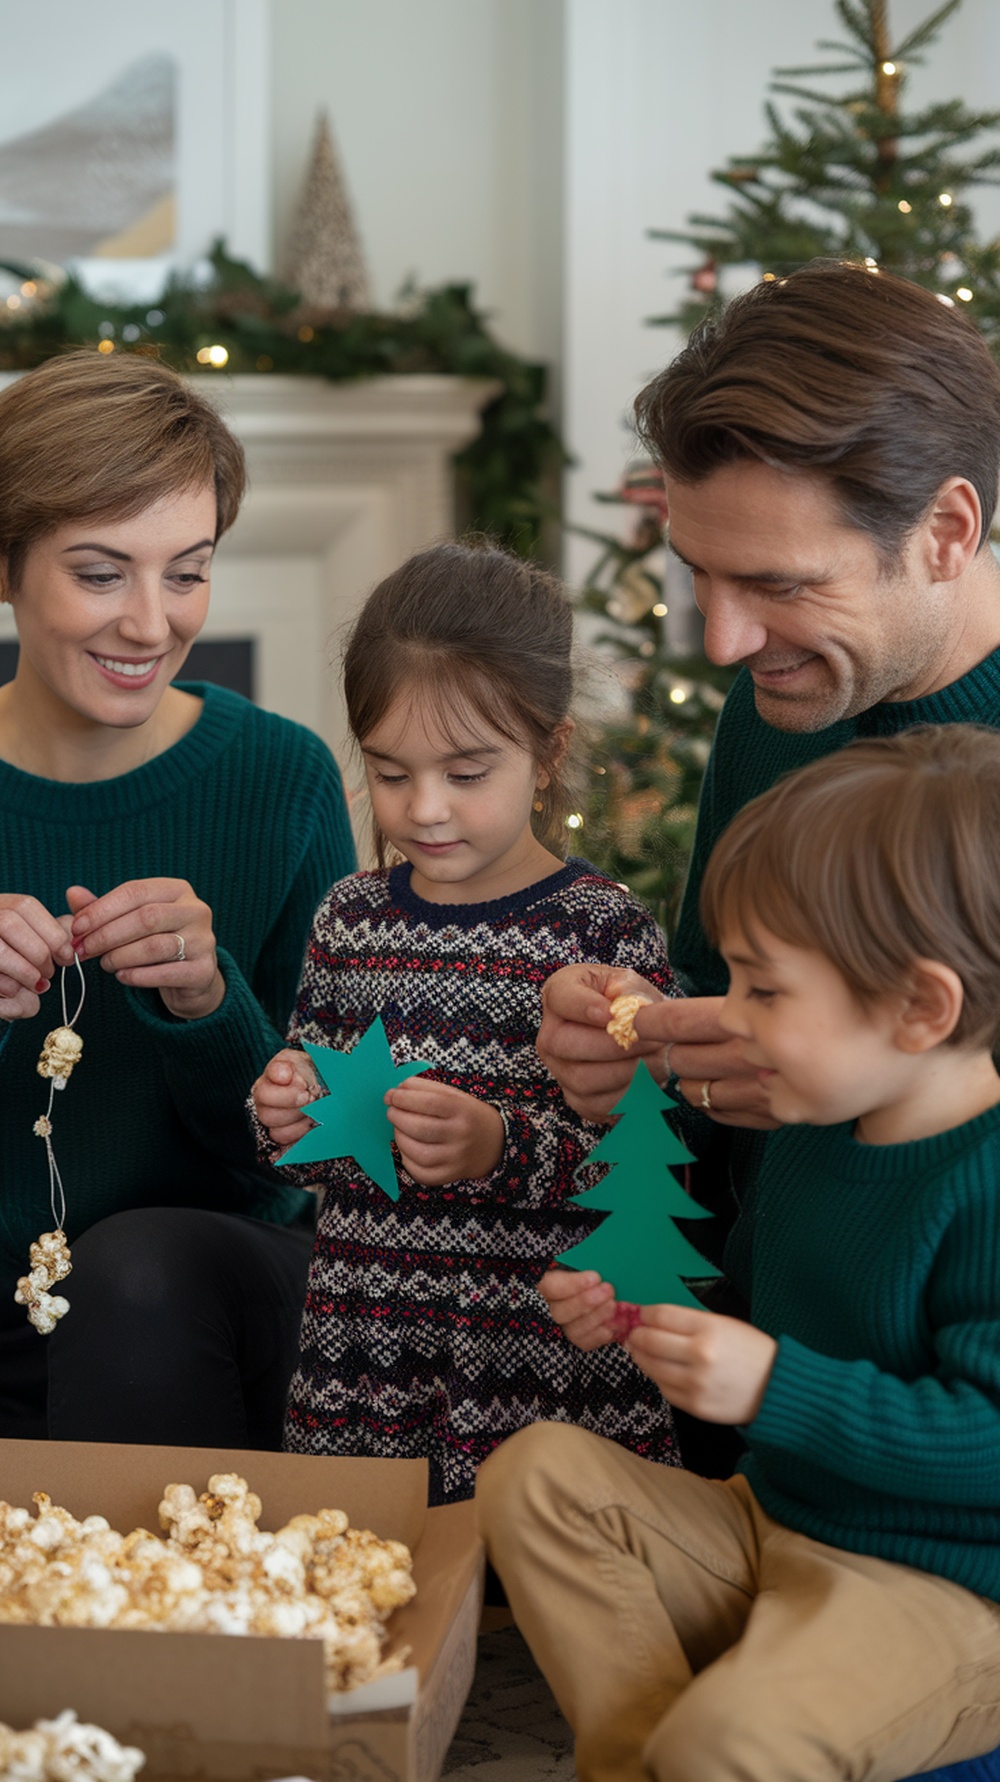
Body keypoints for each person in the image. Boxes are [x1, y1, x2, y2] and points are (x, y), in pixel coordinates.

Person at [478, 724, 1000, 1782]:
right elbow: (780, 1314)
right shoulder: (812, 1128)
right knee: (534, 1475)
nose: (726, 1020)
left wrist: (772, 1385)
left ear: (918, 1008)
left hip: (948, 1591)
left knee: (737, 1739)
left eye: (763, 990)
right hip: (777, 1522)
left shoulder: (980, 1185)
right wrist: (642, 1322)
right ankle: (639, 1760)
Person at [250, 540, 681, 1504]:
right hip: (366, 1346)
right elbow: (316, 1137)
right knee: (370, 1578)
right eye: (391, 773)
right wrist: (286, 1109)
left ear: (549, 752)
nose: (426, 809)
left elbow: (650, 1169)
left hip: (530, 1353)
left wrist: (499, 1147)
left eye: (467, 772)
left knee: (532, 1607)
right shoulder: (349, 917)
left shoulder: (602, 932)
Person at [534, 260, 1000, 1146]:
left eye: (778, 584)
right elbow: (714, 1035)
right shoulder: (774, 713)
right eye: (699, 575)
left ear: (946, 534)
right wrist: (642, 1050)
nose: (724, 644)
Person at [0, 349, 355, 1445]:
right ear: (7, 568)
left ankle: (161, 1614)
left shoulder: (280, 779)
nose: (152, 625)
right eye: (101, 574)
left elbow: (332, 1148)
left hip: (200, 1294)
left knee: (138, 1270)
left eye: (187, 571)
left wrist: (212, 1006)